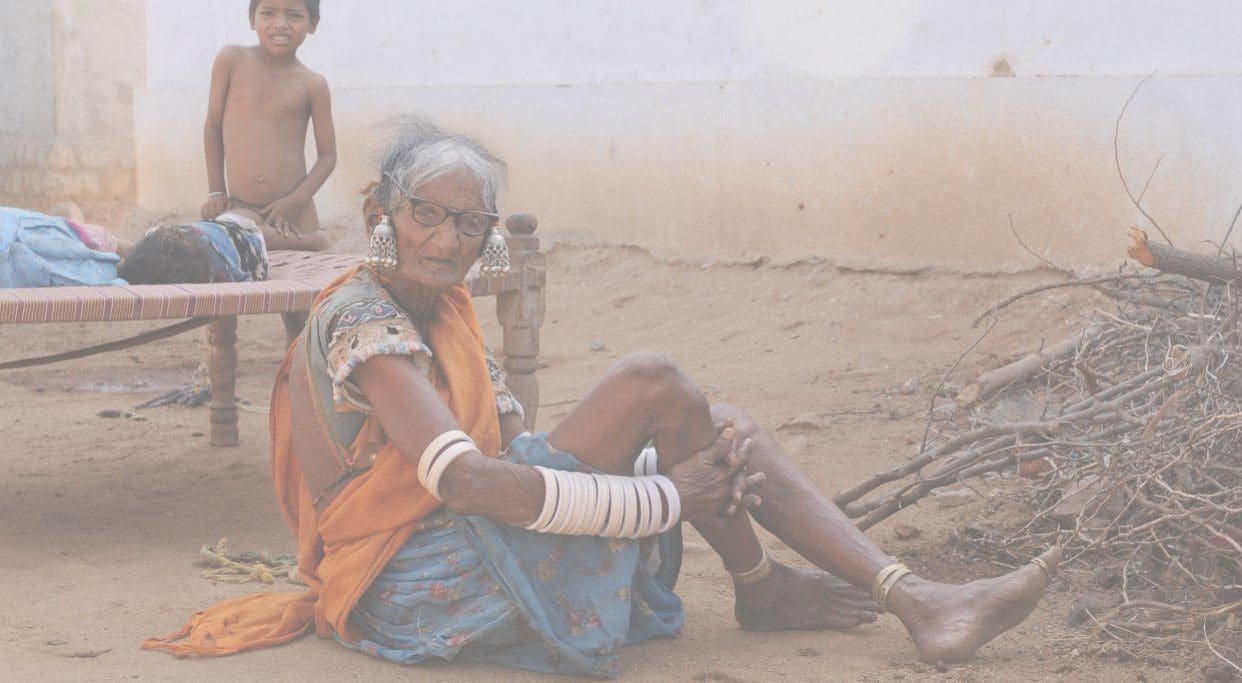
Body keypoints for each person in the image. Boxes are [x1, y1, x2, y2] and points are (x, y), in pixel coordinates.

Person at [143, 121, 1061, 677]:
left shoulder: (449, 308)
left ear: (485, 237)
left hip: (452, 542)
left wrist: (673, 466)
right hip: (406, 580)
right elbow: (468, 484)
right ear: (382, 212)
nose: (446, 237)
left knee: (717, 425)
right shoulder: (360, 315)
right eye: (426, 211)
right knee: (656, 382)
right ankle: (776, 585)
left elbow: (517, 448)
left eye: (470, 223)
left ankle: (900, 595)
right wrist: (667, 496)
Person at [200, 0, 336, 252]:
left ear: (313, 24)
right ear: (252, 18)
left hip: (293, 210)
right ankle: (313, 242)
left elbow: (328, 157)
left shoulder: (313, 84)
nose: (280, 24)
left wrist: (295, 200)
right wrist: (216, 191)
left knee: (301, 280)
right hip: (241, 204)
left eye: (294, 15)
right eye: (268, 13)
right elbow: (213, 128)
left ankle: (308, 240)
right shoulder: (231, 60)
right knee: (227, 238)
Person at [119, 208, 269, 285]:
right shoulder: (157, 235)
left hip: (236, 234)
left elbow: (246, 281)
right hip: (234, 235)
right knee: (261, 222)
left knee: (262, 218)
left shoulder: (215, 269)